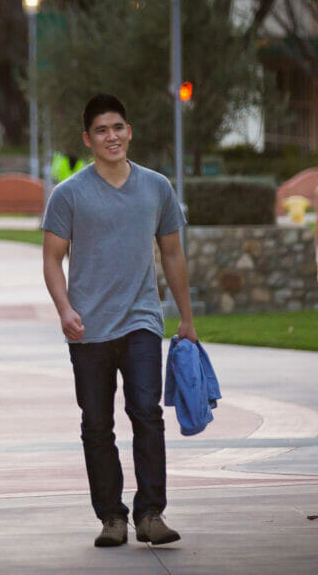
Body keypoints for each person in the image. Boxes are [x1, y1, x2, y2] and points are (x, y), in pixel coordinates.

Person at [41, 93, 198, 548]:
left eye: (118, 128)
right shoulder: (68, 193)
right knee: (96, 423)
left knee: (147, 414)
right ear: (87, 140)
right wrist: (65, 309)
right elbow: (52, 260)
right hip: (87, 328)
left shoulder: (156, 187)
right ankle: (112, 517)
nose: (112, 137)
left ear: (129, 131)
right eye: (102, 131)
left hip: (142, 322)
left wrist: (185, 319)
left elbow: (172, 254)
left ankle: (151, 513)